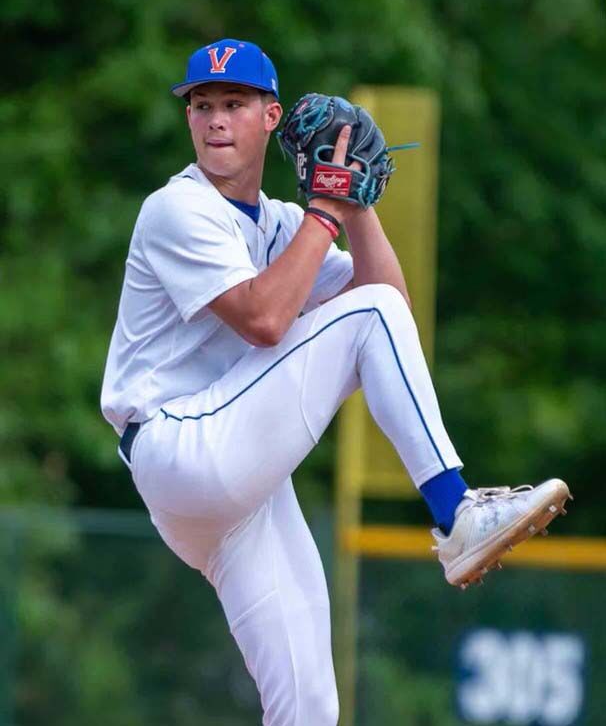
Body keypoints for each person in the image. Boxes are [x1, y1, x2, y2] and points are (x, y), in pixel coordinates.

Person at [100, 38, 571, 726]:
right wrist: (326, 208)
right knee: (364, 317)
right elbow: (264, 319)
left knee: (311, 705)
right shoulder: (177, 209)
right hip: (180, 450)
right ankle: (456, 512)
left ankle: (455, 514)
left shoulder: (287, 226)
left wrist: (356, 207)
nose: (215, 120)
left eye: (235, 103)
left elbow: (393, 311)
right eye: (201, 105)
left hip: (235, 489)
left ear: (271, 117)